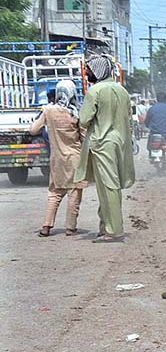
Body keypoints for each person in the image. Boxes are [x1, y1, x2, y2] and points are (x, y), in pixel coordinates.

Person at [74, 54, 136, 243]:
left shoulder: (95, 91)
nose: (87, 74)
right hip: (120, 142)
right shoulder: (122, 90)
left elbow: (84, 121)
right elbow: (129, 119)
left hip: (102, 143)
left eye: (90, 70)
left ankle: (114, 230)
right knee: (108, 186)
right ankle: (105, 225)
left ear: (98, 71)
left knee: (108, 187)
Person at [29, 80, 88, 237]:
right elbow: (84, 136)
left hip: (56, 159)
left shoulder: (48, 111)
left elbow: (33, 130)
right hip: (75, 159)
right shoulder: (76, 112)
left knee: (55, 193)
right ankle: (70, 228)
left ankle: (46, 227)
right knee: (74, 193)